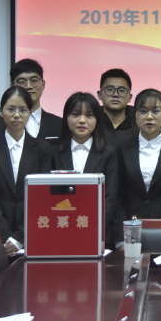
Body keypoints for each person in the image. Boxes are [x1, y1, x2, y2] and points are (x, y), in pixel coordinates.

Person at [0, 86, 53, 254]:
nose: (17, 115)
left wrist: (20, 237)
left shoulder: (42, 149)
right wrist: (6, 237)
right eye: (11, 109)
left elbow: (43, 197)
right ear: (1, 112)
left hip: (33, 233)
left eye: (23, 110)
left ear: (30, 112)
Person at [53, 92, 118, 247]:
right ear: (66, 118)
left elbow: (109, 197)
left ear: (97, 120)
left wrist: (92, 228)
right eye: (75, 114)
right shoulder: (53, 152)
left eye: (89, 115)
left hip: (98, 232)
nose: (82, 120)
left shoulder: (108, 153)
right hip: (60, 228)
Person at [116, 89, 161, 222]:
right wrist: (121, 229)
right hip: (131, 222)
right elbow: (118, 194)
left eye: (156, 111)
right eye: (143, 111)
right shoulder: (123, 148)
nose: (149, 117)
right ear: (135, 114)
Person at [0, 58, 62, 144]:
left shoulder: (59, 124)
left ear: (43, 84)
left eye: (34, 80)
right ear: (12, 86)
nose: (29, 86)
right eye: (22, 81)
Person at [97, 68, 136, 138]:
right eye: (110, 89)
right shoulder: (90, 124)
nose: (115, 94)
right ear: (99, 94)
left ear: (130, 97)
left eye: (121, 90)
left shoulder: (139, 125)